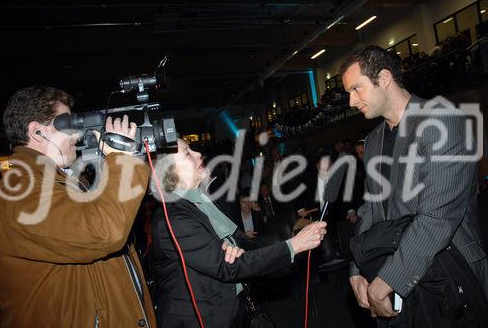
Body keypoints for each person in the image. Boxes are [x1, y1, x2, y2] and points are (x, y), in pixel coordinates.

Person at [341, 46, 488, 325]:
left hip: (450, 276)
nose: (351, 101)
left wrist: (387, 280)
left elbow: (438, 218)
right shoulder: (372, 141)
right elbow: (371, 209)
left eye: (356, 89)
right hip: (400, 282)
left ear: (384, 78)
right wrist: (356, 269)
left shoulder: (442, 121)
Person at [0, 86, 156, 327]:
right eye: (69, 124)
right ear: (37, 132)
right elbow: (104, 232)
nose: (77, 136)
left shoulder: (69, 182)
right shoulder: (20, 190)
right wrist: (121, 160)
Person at [150, 138, 327, 327]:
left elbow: (245, 246)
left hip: (234, 308)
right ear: (171, 173)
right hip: (203, 319)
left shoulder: (201, 202)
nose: (198, 154)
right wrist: (293, 246)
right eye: (187, 153)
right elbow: (226, 267)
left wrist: (291, 242)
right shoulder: (174, 218)